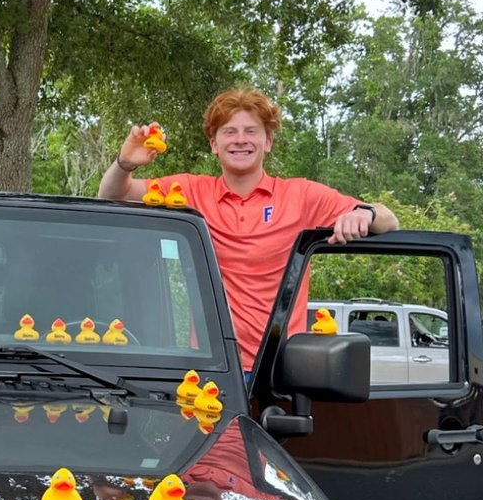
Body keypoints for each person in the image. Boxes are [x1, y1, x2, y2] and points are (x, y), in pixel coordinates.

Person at [98, 87, 399, 370]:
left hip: (280, 372)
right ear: (214, 144)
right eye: (229, 132)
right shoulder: (190, 191)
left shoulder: (300, 195)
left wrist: (365, 213)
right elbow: (112, 195)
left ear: (267, 141)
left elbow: (389, 219)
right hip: (212, 371)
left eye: (251, 131)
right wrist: (125, 163)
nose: (240, 140)